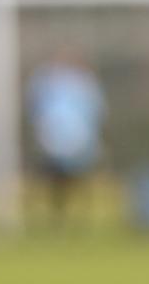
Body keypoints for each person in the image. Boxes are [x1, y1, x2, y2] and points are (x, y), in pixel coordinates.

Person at [27, 49, 106, 226]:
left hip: (78, 145)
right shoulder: (45, 82)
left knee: (76, 182)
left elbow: (96, 113)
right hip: (52, 146)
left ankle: (76, 220)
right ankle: (56, 219)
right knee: (53, 183)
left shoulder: (85, 83)